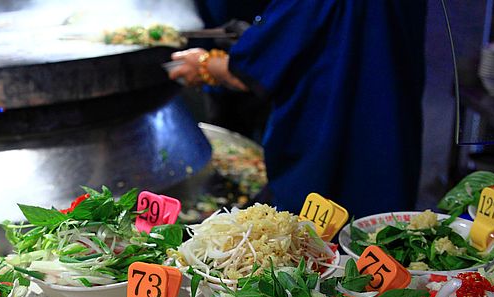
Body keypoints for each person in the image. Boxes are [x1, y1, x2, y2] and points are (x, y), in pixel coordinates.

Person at [170, 0, 426, 217]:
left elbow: (251, 69)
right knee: (383, 229)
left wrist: (204, 64)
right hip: (392, 124)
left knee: (315, 244)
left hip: (329, 132)